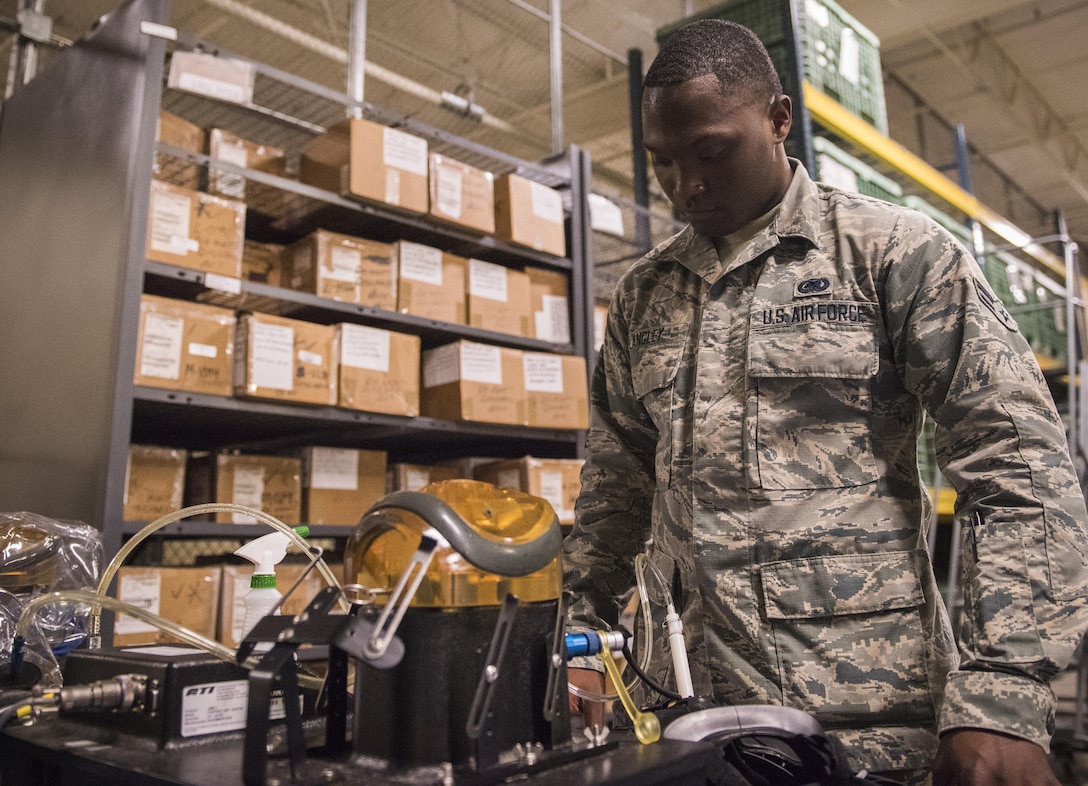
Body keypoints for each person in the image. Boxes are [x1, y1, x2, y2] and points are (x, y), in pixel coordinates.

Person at [562, 18, 1088, 786]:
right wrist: (583, 640)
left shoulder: (892, 254)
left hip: (867, 724)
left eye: (710, 151)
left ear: (779, 120)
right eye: (662, 162)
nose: (686, 185)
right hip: (681, 716)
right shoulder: (646, 295)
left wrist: (1003, 690)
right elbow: (615, 484)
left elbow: (1020, 464)